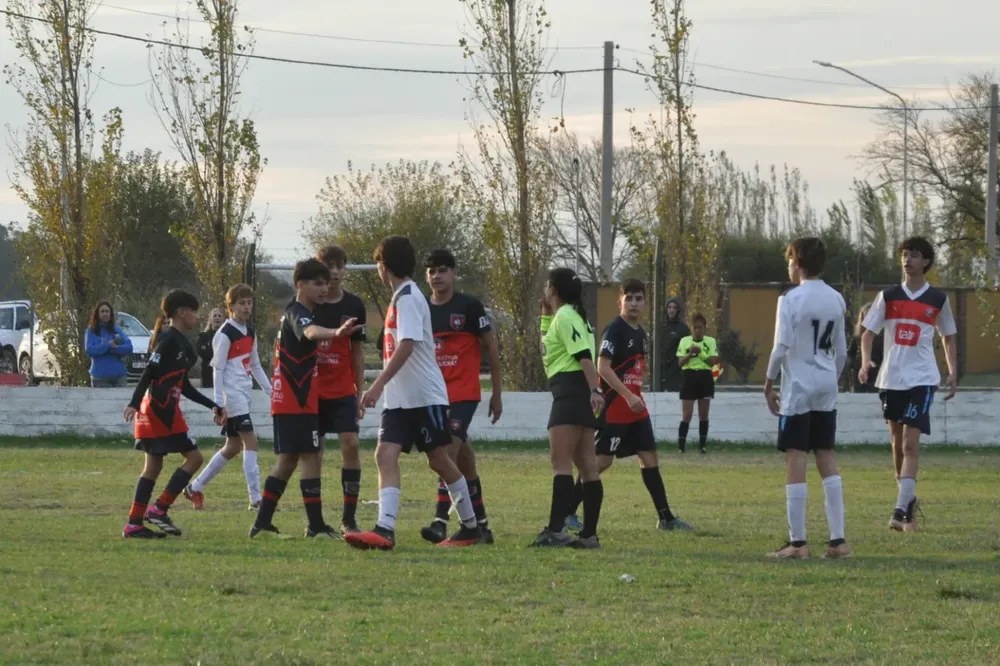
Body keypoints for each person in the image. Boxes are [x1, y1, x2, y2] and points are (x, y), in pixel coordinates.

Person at [346, 236, 483, 550]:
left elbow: (406, 345)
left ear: (385, 266)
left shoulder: (408, 296)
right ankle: (385, 529)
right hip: (400, 399)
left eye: (379, 264)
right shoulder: (399, 297)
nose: (378, 270)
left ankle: (471, 527)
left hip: (424, 396)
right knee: (385, 454)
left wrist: (377, 384)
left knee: (440, 461)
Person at [565, 279, 693, 532]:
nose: (634, 303)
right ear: (620, 302)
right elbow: (603, 367)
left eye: (638, 298)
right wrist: (626, 395)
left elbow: (633, 370)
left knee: (650, 458)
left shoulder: (640, 333)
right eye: (629, 298)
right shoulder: (615, 329)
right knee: (602, 462)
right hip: (616, 408)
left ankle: (665, 517)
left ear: (645, 303)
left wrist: (636, 393)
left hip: (636, 409)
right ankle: (567, 511)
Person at [249, 259, 360, 539]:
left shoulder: (299, 311)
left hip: (296, 398)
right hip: (294, 400)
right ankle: (314, 525)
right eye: (317, 283)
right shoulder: (298, 313)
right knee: (306, 457)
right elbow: (310, 332)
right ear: (300, 285)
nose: (324, 289)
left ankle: (265, 524)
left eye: (326, 283)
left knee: (292, 459)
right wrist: (336, 333)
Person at [859, 236, 958, 532]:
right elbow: (867, 333)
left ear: (925, 261)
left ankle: (900, 510)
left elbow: (948, 335)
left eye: (914, 255)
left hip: (923, 379)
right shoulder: (888, 297)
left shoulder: (938, 299)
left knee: (910, 443)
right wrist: (866, 362)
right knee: (897, 445)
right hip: (892, 378)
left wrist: (951, 371)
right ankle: (909, 510)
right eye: (904, 254)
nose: (907, 259)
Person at [763, 237, 850, 559]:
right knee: (825, 453)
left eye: (789, 260)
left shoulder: (790, 300)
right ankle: (838, 540)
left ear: (797, 262)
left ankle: (797, 543)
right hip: (827, 384)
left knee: (795, 455)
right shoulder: (836, 299)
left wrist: (769, 382)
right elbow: (841, 351)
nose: (788, 266)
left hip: (798, 387)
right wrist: (831, 377)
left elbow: (780, 346)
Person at [122, 290, 226, 538]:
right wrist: (134, 402)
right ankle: (158, 509)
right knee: (194, 458)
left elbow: (184, 386)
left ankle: (135, 523)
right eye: (194, 312)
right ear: (182, 312)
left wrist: (211, 404)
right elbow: (149, 372)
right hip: (159, 410)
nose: (197, 318)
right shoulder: (168, 339)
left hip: (163, 409)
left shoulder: (181, 342)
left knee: (153, 467)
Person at [418, 249, 503, 545]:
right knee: (465, 459)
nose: (436, 275)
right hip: (434, 395)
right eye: (431, 271)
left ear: (454, 274)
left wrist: (497, 393)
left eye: (442, 270)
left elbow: (491, 349)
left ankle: (440, 521)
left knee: (446, 452)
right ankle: (482, 526)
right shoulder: (421, 309)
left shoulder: (469, 306)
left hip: (464, 393)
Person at [533, 267, 605, 549]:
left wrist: (595, 389)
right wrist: (544, 318)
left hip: (571, 392)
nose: (544, 292)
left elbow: (584, 357)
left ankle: (556, 530)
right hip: (576, 392)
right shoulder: (570, 316)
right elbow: (549, 350)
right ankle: (588, 535)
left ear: (553, 290)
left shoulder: (565, 317)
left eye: (547, 288)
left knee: (560, 462)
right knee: (587, 465)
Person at [183, 284, 272, 511]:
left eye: (249, 303)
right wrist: (218, 403)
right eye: (241, 303)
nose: (246, 307)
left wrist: (272, 392)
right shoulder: (225, 333)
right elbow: (218, 369)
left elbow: (255, 365)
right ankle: (256, 500)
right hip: (232, 396)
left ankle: (195, 488)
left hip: (243, 394)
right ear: (230, 306)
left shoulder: (250, 332)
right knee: (251, 441)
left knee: (232, 447)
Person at [313, 245, 368, 534]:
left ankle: (349, 517)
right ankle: (316, 519)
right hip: (312, 391)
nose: (334, 272)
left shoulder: (354, 306)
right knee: (315, 453)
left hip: (343, 390)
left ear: (345, 270)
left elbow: (357, 352)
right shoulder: (309, 305)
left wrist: (359, 390)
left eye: (339, 266)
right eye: (328, 266)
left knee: (351, 444)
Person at [676, 314, 720, 454]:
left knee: (703, 414)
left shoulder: (710, 341)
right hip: (689, 376)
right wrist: (689, 354)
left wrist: (700, 353)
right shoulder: (684, 341)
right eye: (695, 327)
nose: (697, 330)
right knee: (687, 414)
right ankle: (681, 446)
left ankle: (702, 446)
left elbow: (712, 362)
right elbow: (680, 363)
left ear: (704, 328)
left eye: (700, 327)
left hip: (705, 377)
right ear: (691, 328)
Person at [85, 300, 133, 388]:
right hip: (100, 377)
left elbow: (129, 347)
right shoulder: (91, 331)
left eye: (107, 311)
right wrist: (107, 345)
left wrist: (115, 348)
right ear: (97, 314)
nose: (105, 314)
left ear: (111, 314)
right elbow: (90, 350)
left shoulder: (117, 330)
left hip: (119, 376)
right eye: (102, 311)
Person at [847, 302, 883, 393]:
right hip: (859, 370)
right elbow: (851, 353)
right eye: (865, 316)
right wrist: (853, 365)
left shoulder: (883, 335)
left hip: (877, 371)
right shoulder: (857, 336)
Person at [659, 298, 690, 392]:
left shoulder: (683, 328)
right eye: (669, 307)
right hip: (661, 371)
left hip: (677, 370)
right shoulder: (660, 327)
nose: (671, 310)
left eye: (674, 308)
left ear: (677, 310)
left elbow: (687, 349)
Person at [197, 308, 225, 389]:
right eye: (215, 316)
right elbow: (201, 352)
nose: (217, 317)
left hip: (223, 374)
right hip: (207, 374)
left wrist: (209, 349)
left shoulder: (226, 336)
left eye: (219, 316)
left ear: (223, 319)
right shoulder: (203, 336)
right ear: (210, 319)